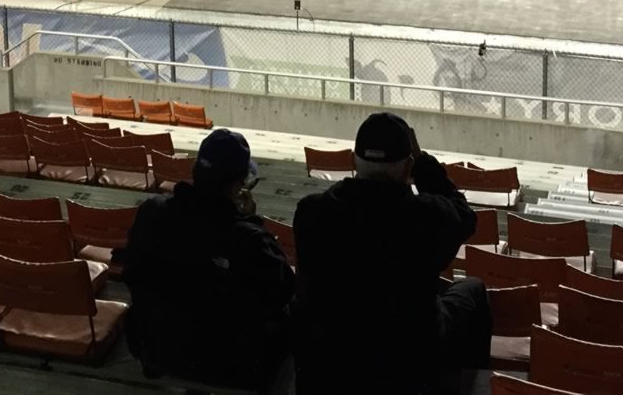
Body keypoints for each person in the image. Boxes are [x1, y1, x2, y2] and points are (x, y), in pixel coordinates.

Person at [293, 112, 490, 395]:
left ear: (352, 161)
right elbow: (464, 217)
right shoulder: (424, 216)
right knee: (472, 290)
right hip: (408, 358)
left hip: (329, 358)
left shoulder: (311, 212)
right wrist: (424, 166)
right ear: (408, 166)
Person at [123, 129, 294, 389]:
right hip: (232, 364)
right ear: (239, 185)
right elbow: (283, 290)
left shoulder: (151, 213)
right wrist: (251, 222)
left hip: (160, 348)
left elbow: (131, 273)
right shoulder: (248, 239)